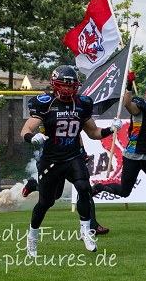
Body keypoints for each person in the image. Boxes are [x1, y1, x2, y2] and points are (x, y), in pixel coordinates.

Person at [20, 65, 121, 257]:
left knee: (84, 188)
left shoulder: (82, 103)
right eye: (63, 85)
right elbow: (25, 129)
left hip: (73, 156)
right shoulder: (45, 103)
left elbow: (93, 133)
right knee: (47, 202)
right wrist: (32, 138)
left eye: (71, 86)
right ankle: (32, 236)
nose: (67, 89)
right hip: (51, 159)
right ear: (55, 84)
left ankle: (86, 230)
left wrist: (110, 129)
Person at [93, 72, 146, 233]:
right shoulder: (140, 106)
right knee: (125, 192)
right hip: (134, 153)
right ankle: (100, 187)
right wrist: (129, 86)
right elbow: (127, 104)